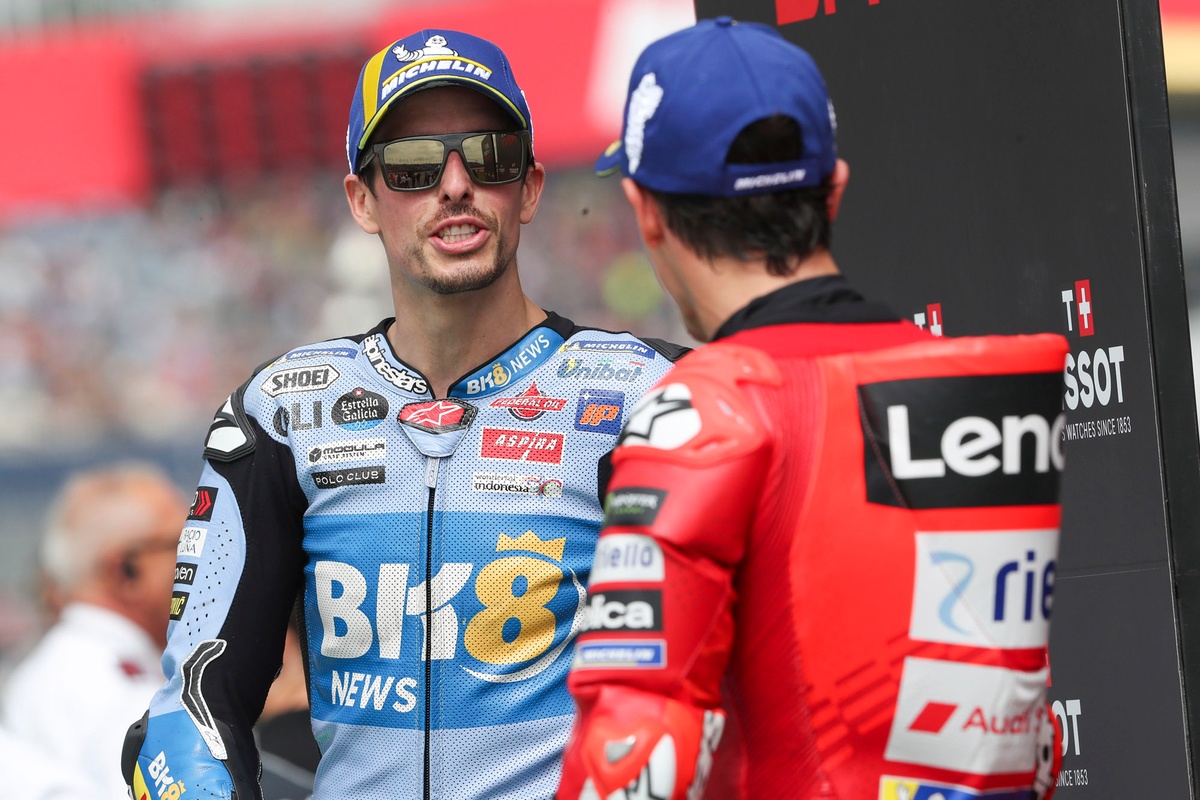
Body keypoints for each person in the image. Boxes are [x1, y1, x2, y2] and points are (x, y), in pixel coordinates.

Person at [122, 27, 684, 800]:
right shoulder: (282, 414)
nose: (455, 186)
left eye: (488, 156)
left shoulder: (643, 394)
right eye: (414, 166)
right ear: (362, 200)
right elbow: (188, 707)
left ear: (529, 188)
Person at [557, 17, 1067, 800]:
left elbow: (633, 748)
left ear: (645, 210)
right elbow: (1029, 739)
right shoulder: (976, 388)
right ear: (835, 189)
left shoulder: (706, 410)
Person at [3, 461, 187, 800]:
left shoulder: (62, 667)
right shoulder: (110, 686)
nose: (199, 562)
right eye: (183, 543)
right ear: (126, 571)